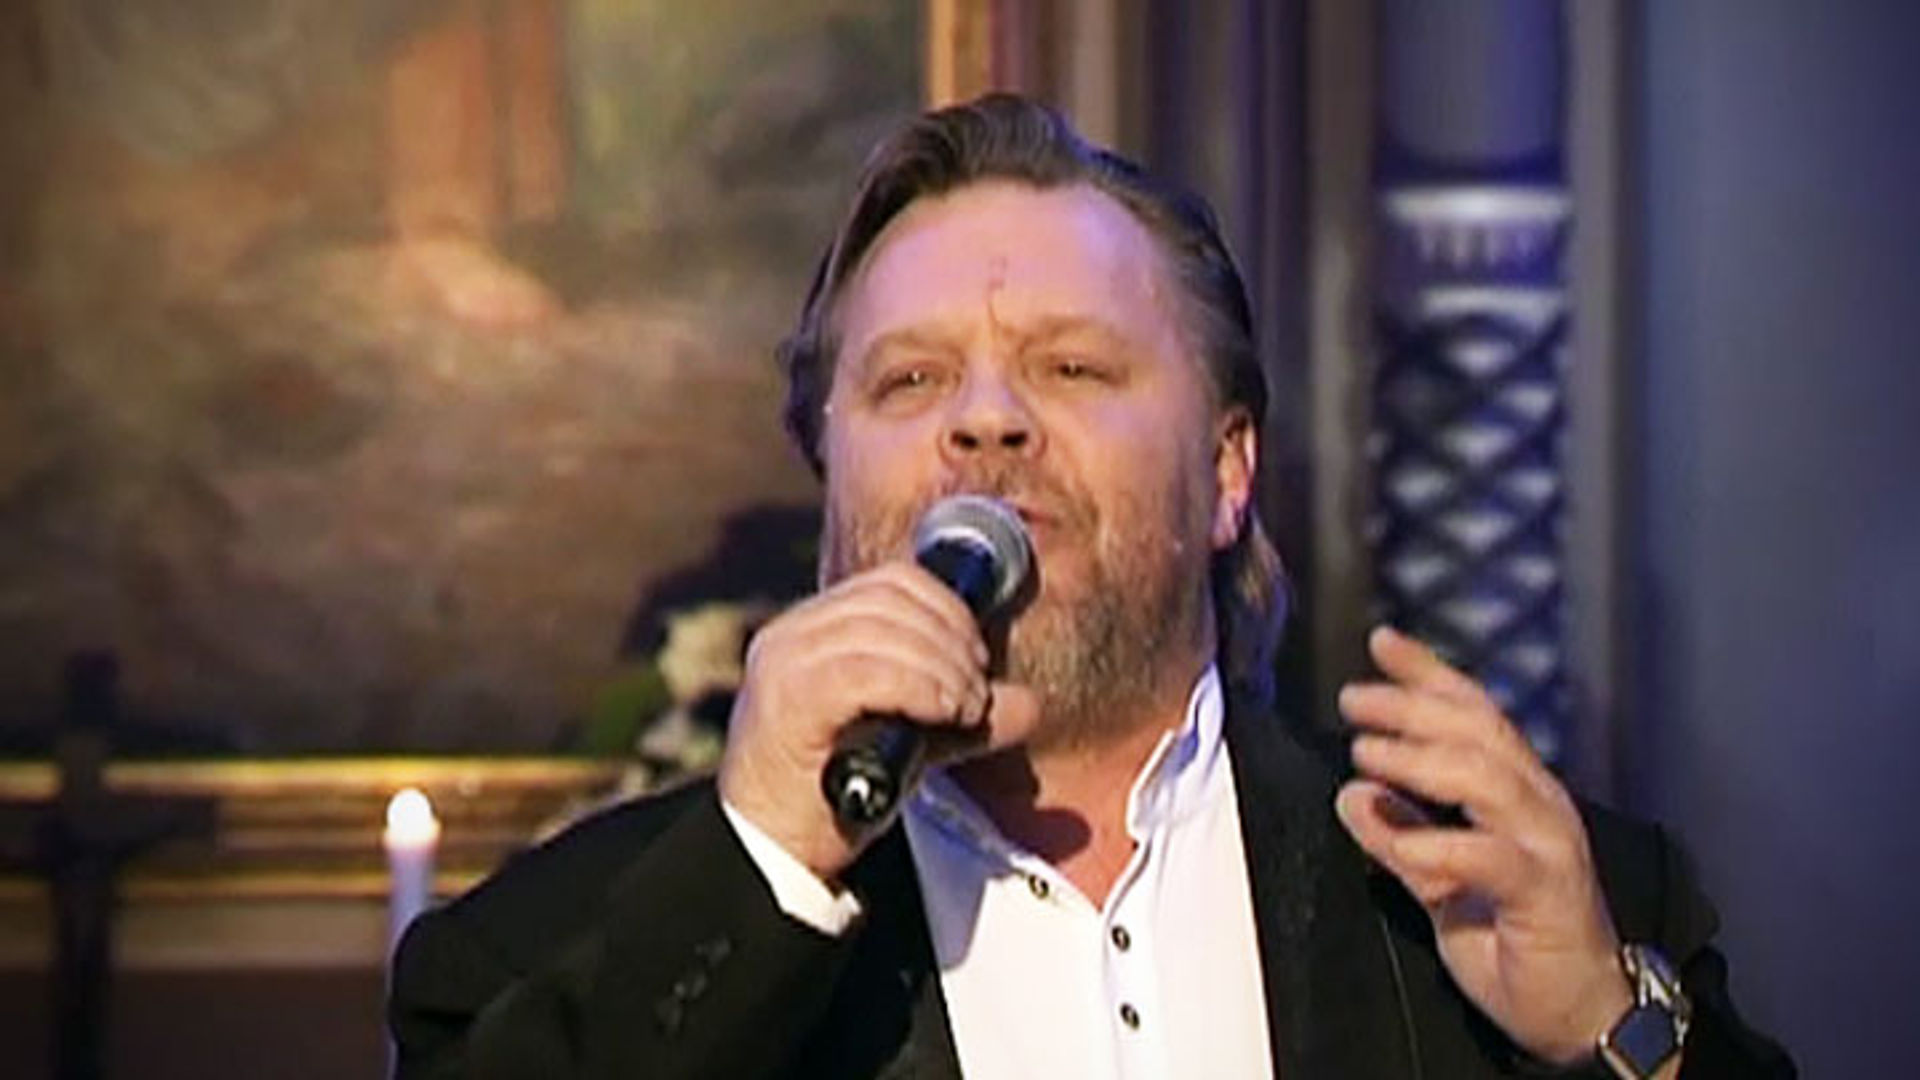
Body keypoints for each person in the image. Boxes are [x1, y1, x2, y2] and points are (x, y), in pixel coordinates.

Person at [388, 94, 1793, 1079]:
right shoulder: (533, 957)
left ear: (1227, 471)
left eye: (1070, 367)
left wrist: (1610, 1029)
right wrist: (759, 873)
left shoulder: (1496, 904)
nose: (986, 424)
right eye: (911, 380)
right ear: (828, 471)